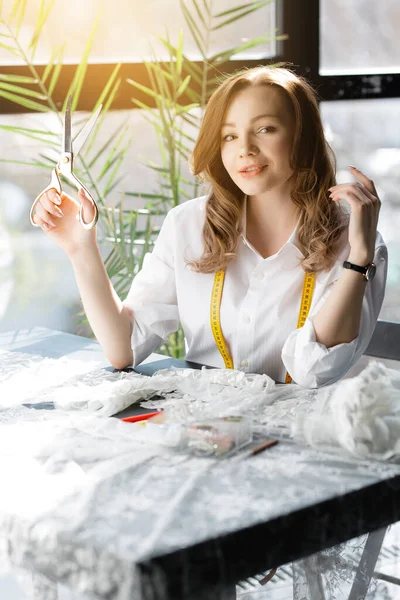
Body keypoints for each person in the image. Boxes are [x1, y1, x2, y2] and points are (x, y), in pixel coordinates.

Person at [31, 65, 387, 388]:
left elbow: (314, 371)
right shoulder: (187, 225)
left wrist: (358, 260)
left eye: (265, 129)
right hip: (208, 434)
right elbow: (124, 347)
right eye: (229, 136)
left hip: (303, 442)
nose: (245, 149)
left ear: (303, 137)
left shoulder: (357, 246)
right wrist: (81, 248)